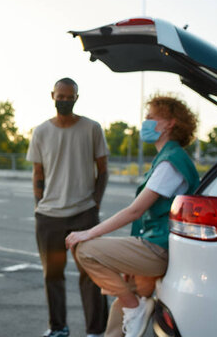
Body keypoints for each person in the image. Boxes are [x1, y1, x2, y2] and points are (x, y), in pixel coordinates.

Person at [65, 95, 200, 337]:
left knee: (85, 250)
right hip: (155, 244)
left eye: (151, 118)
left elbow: (135, 210)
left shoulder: (170, 163)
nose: (145, 122)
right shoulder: (167, 158)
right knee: (125, 301)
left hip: (158, 248)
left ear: (170, 123)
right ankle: (130, 310)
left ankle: (135, 307)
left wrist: (88, 232)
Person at [26, 77, 110, 337]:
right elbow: (37, 172)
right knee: (53, 275)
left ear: (76, 97)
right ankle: (58, 327)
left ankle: (96, 330)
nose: (64, 101)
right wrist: (39, 204)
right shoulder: (41, 131)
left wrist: (95, 203)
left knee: (91, 274)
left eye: (69, 96)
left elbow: (103, 170)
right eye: (60, 97)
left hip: (84, 213)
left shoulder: (92, 128)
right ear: (52, 96)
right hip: (49, 216)